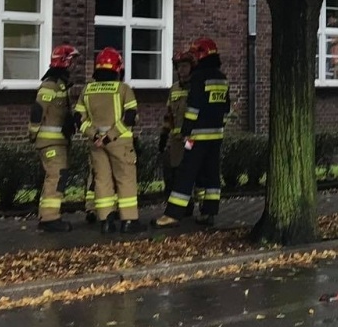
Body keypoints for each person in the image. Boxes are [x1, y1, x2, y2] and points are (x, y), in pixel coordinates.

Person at [155, 36, 229, 229]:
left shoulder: (199, 77)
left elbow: (193, 107)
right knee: (212, 174)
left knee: (186, 173)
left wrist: (187, 131)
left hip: (196, 136)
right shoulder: (222, 78)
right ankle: (209, 213)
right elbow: (226, 107)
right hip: (216, 135)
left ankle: (173, 214)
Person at [75, 46, 141, 235]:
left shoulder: (87, 90)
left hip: (96, 145)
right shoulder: (123, 89)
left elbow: (78, 118)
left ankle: (106, 221)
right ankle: (129, 221)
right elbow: (130, 116)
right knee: (125, 179)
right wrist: (110, 136)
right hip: (119, 142)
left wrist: (95, 136)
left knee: (102, 181)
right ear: (117, 68)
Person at [30, 44, 81, 233]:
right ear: (65, 61)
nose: (75, 65)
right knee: (56, 176)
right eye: (73, 61)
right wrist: (33, 133)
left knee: (56, 176)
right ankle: (50, 219)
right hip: (51, 142)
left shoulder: (61, 84)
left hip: (58, 141)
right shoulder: (50, 84)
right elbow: (38, 110)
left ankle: (47, 215)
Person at [159, 49, 195, 209]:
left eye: (185, 66)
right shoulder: (174, 89)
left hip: (191, 138)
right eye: (179, 66)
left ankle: (189, 203)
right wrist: (164, 134)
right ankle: (174, 203)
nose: (182, 69)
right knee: (173, 171)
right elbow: (169, 115)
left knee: (188, 170)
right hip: (175, 140)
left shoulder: (196, 88)